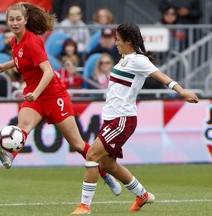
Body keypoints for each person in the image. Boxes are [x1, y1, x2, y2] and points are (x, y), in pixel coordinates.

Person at [0, 2, 122, 197]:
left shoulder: (32, 41)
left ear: (26, 20)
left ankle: (104, 173)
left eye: (19, 19)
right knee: (23, 126)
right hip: (34, 94)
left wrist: (36, 93)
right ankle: (9, 154)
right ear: (7, 21)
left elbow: (48, 73)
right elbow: (22, 60)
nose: (15, 22)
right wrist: (5, 66)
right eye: (11, 19)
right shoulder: (15, 42)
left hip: (52, 95)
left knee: (78, 145)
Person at [71, 22, 199, 215]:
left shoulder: (138, 60)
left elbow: (161, 76)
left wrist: (182, 91)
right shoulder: (124, 59)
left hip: (122, 119)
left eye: (118, 39)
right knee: (106, 164)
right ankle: (142, 195)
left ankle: (84, 206)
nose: (115, 43)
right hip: (111, 118)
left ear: (129, 41)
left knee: (91, 156)